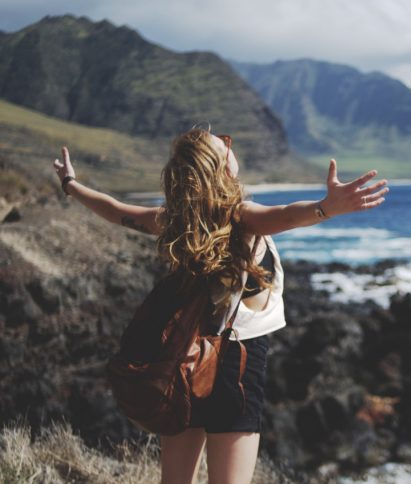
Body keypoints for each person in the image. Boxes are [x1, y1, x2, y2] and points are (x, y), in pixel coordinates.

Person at [51, 128, 388, 484]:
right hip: (237, 363)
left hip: (185, 357)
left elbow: (117, 211)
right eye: (223, 143)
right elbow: (287, 215)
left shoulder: (176, 221)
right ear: (221, 168)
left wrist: (70, 185)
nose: (230, 143)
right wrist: (326, 208)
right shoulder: (240, 217)